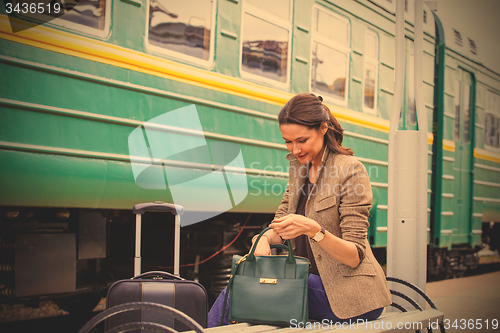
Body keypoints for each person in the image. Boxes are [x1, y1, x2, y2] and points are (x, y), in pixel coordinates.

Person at [208, 92, 391, 326]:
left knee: (238, 294)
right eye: (288, 141)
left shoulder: (351, 171)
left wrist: (315, 230)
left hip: (351, 296)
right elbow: (280, 225)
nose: (295, 149)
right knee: (245, 291)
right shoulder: (298, 169)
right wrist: (262, 239)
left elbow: (354, 256)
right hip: (310, 284)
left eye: (302, 140)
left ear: (323, 128)